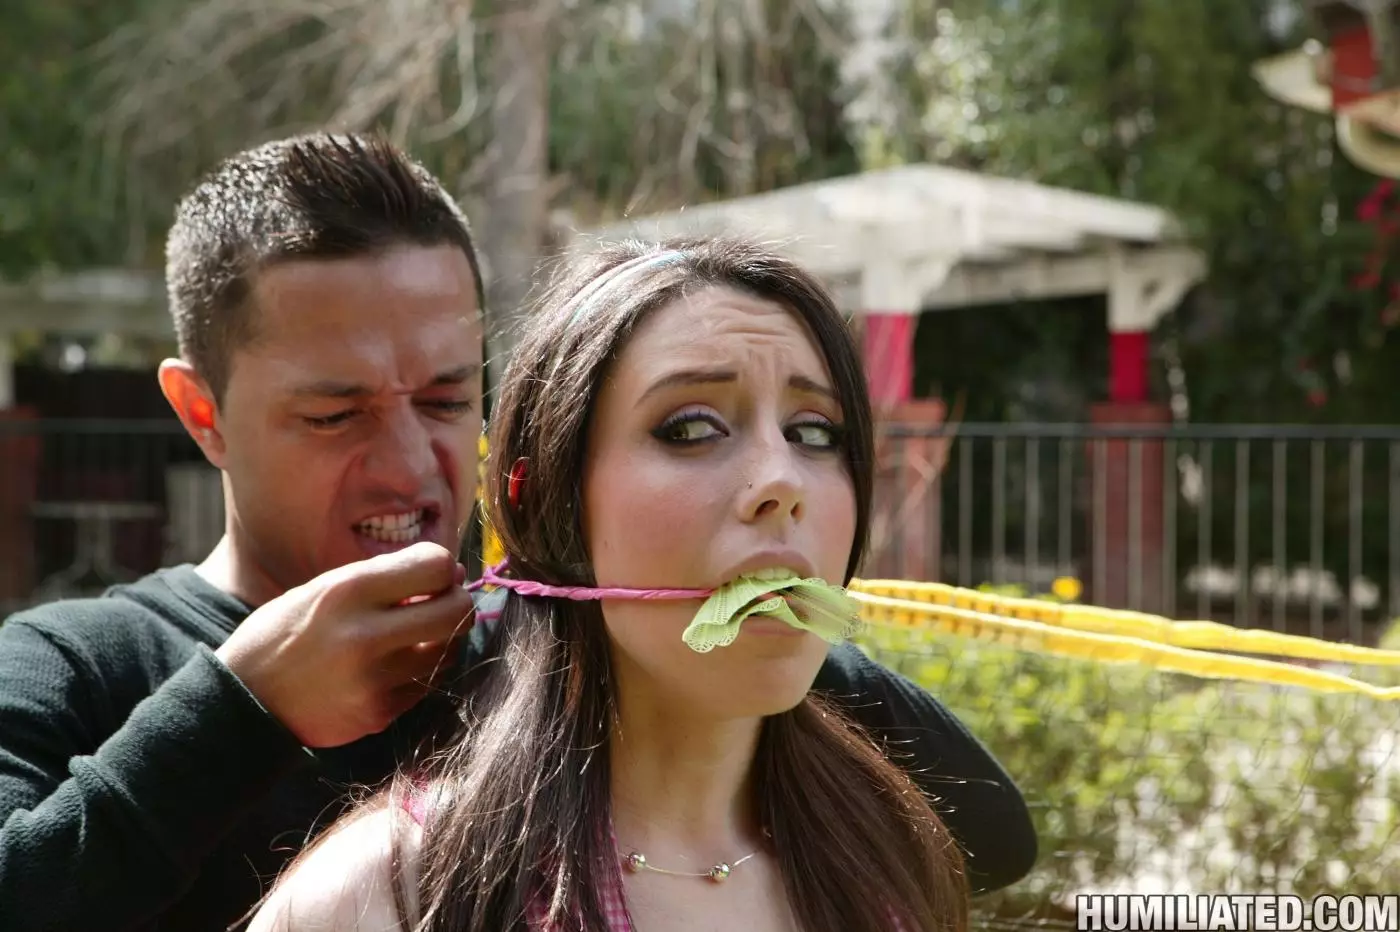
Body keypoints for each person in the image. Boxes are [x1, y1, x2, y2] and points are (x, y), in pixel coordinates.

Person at [0, 134, 1034, 932]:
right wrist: (241, 709)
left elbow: (984, 831)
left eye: (448, 400)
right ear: (202, 414)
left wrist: (746, 602)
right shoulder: (81, 663)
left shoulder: (548, 641)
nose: (409, 462)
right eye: (336, 414)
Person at [250, 236, 972, 932]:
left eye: (815, 433)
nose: (782, 482)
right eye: (691, 427)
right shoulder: (386, 901)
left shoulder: (892, 858)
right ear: (545, 504)